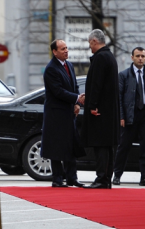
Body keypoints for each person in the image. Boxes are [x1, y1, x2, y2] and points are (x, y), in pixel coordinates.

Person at [112, 47, 145, 186]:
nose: (140, 58)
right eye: (138, 56)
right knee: (124, 147)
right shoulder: (124, 75)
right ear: (132, 57)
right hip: (130, 115)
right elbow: (119, 98)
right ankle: (116, 175)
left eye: (143, 56)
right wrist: (121, 116)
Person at [41, 39, 85, 188]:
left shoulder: (69, 65)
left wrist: (77, 103)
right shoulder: (51, 68)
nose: (66, 51)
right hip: (56, 114)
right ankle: (58, 179)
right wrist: (76, 98)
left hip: (69, 114)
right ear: (54, 52)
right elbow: (58, 91)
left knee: (70, 146)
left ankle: (72, 178)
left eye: (66, 48)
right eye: (62, 49)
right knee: (57, 147)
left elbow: (74, 86)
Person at [81, 29, 120, 189]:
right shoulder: (110, 56)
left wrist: (92, 105)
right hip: (109, 111)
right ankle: (106, 178)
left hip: (100, 111)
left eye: (90, 43)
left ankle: (101, 179)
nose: (90, 47)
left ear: (94, 42)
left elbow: (97, 84)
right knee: (108, 146)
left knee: (101, 146)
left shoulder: (100, 58)